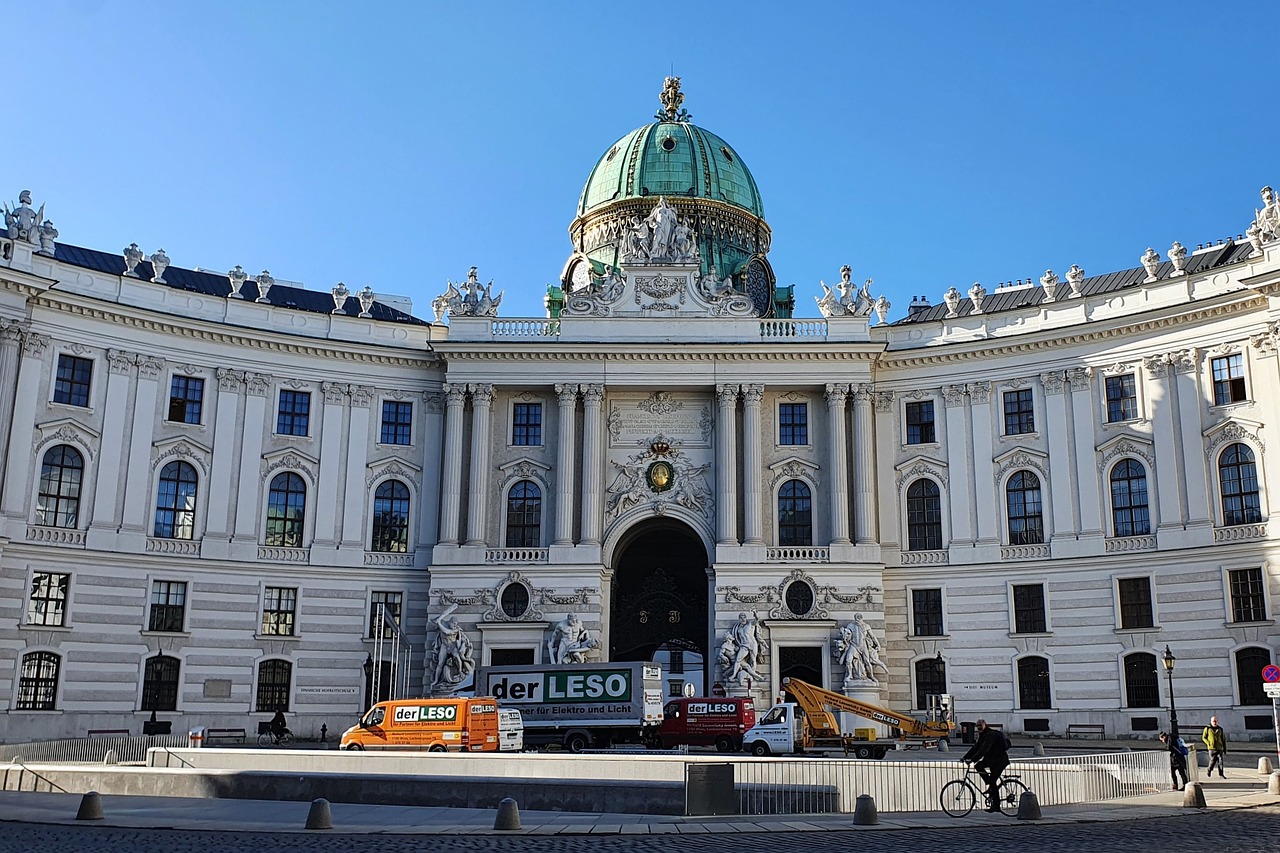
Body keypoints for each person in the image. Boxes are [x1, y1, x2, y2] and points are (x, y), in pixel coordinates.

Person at [962, 718, 1010, 811]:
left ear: (985, 725)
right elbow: (976, 747)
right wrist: (965, 757)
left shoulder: (990, 735)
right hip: (992, 760)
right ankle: (990, 786)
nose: (979, 727)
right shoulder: (983, 735)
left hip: (1000, 761)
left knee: (992, 781)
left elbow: (984, 749)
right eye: (977, 726)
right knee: (979, 766)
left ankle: (996, 806)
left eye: (980, 725)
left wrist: (972, 760)